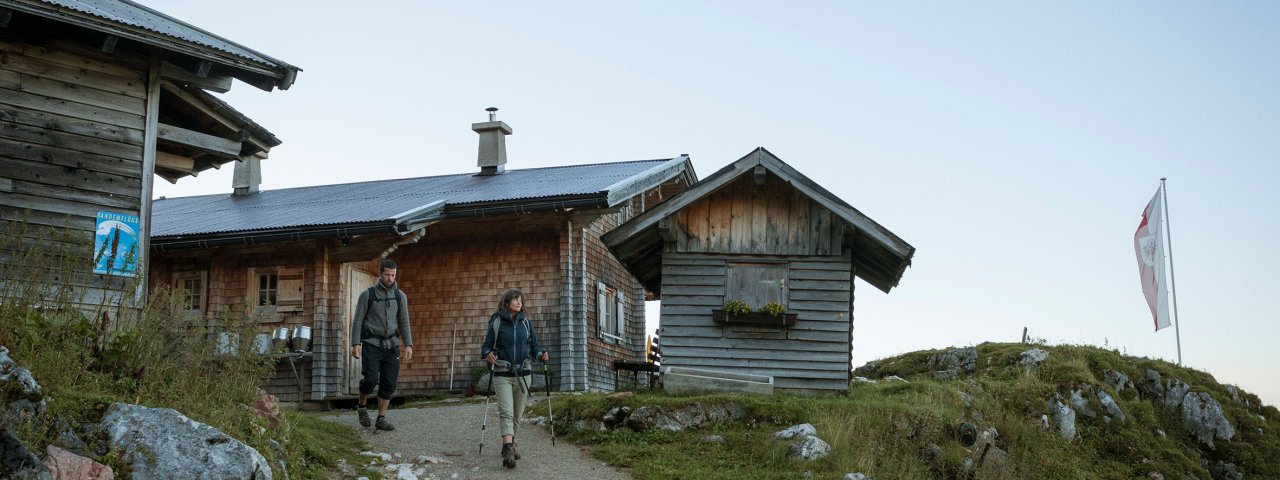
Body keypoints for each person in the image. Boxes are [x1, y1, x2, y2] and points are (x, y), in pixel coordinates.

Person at [480, 288, 549, 469]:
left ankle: (508, 443)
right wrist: (488, 354)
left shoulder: (525, 322)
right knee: (506, 412)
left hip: (523, 374)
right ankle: (509, 448)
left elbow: (534, 345)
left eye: (521, 300)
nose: (519, 303)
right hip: (503, 373)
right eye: (516, 299)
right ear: (507, 301)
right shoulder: (496, 322)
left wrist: (541, 354)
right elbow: (486, 347)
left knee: (517, 415)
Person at [351, 259, 413, 431]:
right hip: (371, 343)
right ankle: (362, 406)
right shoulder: (368, 295)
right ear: (380, 274)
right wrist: (355, 343)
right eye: (387, 274)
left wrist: (408, 344)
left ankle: (381, 418)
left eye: (393, 275)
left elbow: (404, 322)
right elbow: (357, 321)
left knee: (389, 383)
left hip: (391, 345)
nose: (390, 278)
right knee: (370, 379)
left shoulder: (400, 296)